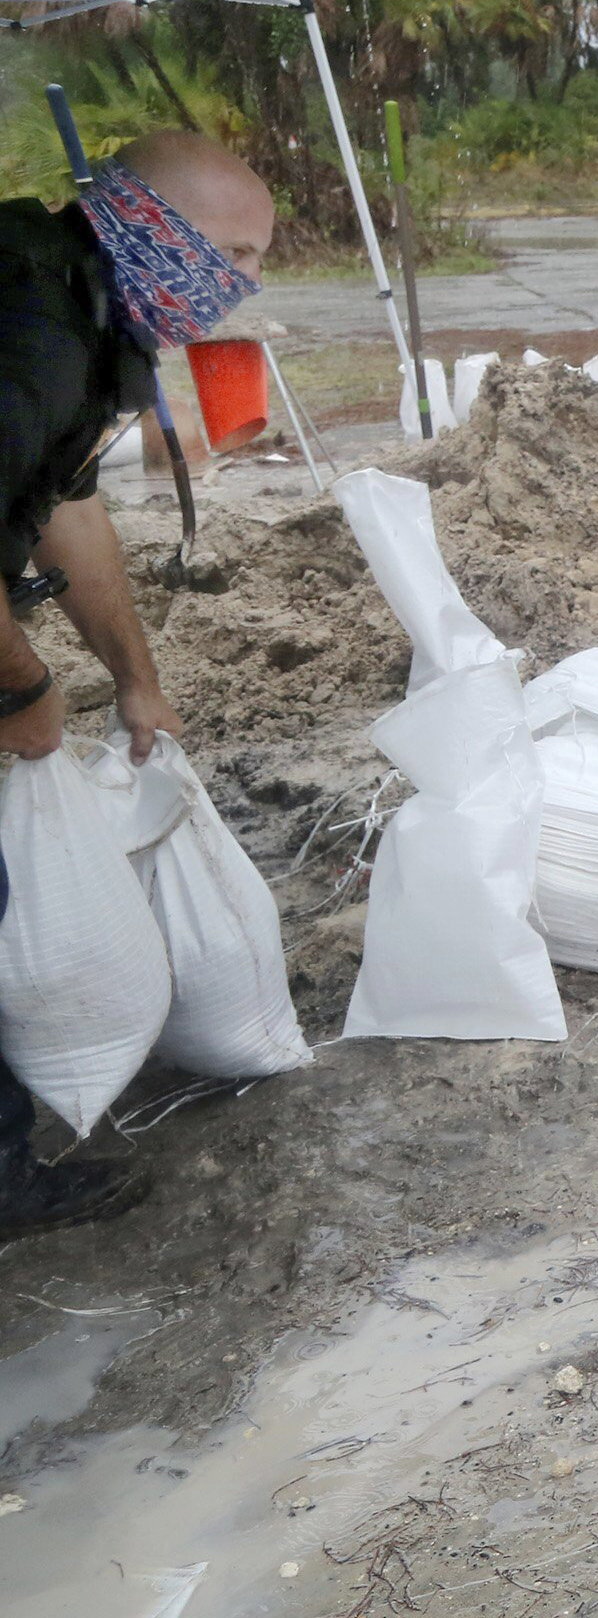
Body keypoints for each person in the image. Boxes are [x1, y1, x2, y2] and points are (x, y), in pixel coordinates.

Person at [1, 131, 270, 1240]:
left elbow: (62, 504)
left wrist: (135, 677)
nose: (243, 285)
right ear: (153, 226)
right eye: (233, 254)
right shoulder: (29, 329)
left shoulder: (87, 311)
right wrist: (22, 692)